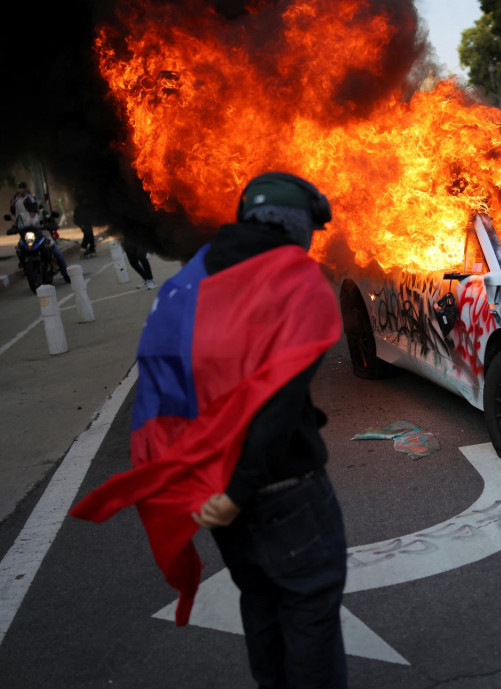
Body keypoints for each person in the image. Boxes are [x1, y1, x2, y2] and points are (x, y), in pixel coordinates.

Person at [71, 172, 348, 689]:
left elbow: (158, 386)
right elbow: (280, 404)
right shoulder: (295, 277)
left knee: (260, 603)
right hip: (282, 489)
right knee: (310, 606)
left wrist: (204, 485)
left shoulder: (189, 280)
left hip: (212, 491)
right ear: (296, 225)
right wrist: (241, 489)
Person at [10, 181, 70, 282]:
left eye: (24, 188)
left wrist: (50, 223)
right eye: (20, 188)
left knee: (56, 251)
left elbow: (48, 217)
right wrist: (14, 227)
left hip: (42, 232)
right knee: (20, 247)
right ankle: (25, 267)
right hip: (26, 233)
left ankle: (65, 273)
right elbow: (15, 216)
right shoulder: (17, 202)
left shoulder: (38, 209)